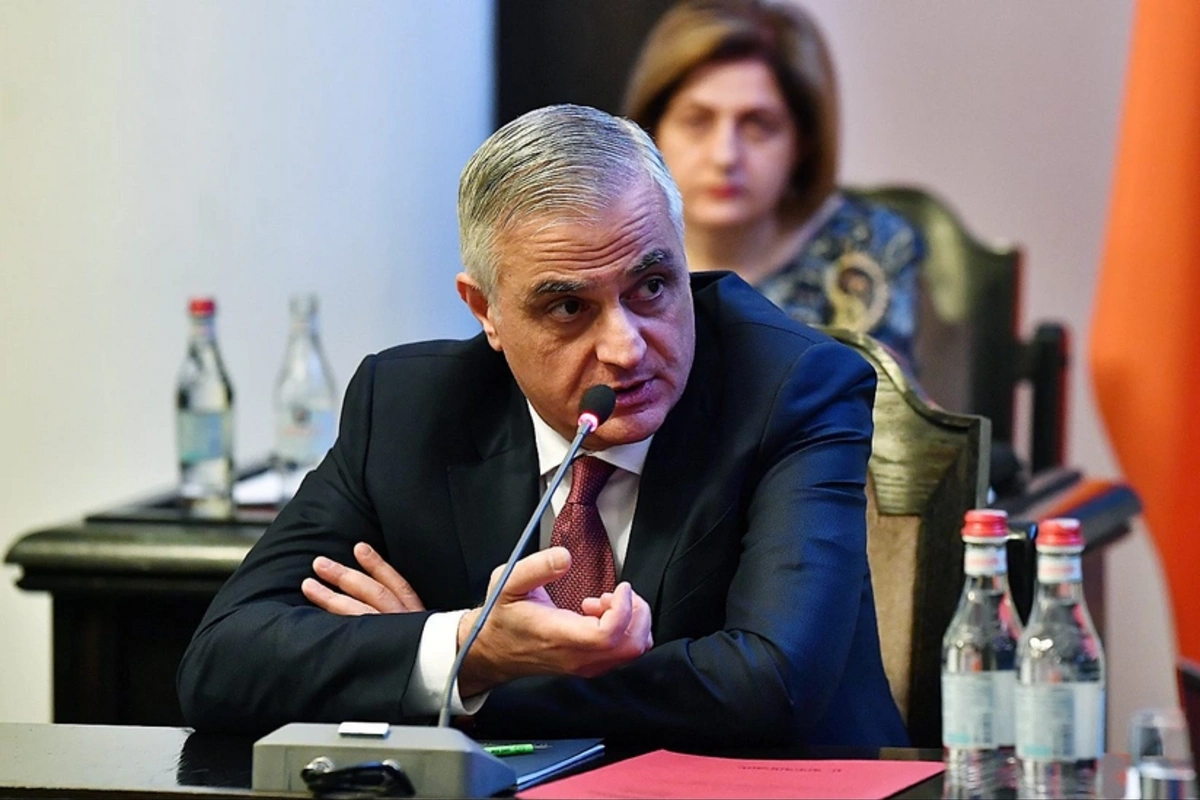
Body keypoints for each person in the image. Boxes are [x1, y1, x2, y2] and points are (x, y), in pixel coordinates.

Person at [177, 104, 908, 749]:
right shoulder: (405, 407)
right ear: (486, 312)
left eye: (653, 286)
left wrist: (468, 669)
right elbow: (220, 665)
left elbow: (769, 686)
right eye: (568, 308)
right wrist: (466, 643)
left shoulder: (793, 387)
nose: (626, 348)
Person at [622, 0, 923, 369]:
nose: (725, 156)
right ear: (650, 130)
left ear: (803, 142)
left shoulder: (867, 245)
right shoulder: (610, 247)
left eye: (758, 125)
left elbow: (880, 398)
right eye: (697, 121)